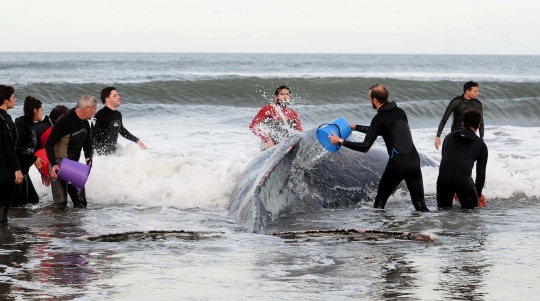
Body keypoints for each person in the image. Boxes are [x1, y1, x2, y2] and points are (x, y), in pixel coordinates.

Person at [328, 84, 429, 212]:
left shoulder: (379, 118)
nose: (370, 100)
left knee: (380, 202)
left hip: (398, 165)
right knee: (420, 205)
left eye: (369, 98)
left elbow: (365, 147)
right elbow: (384, 130)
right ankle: (430, 228)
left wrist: (341, 141)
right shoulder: (400, 112)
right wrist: (356, 127)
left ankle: (380, 229)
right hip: (414, 161)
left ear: (375, 100)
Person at [45, 95, 97, 208]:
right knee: (61, 204)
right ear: (87, 108)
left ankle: (73, 225)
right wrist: (53, 164)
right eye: (94, 109)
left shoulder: (85, 123)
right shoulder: (65, 121)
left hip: (72, 167)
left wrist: (89, 157)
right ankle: (50, 223)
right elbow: (48, 145)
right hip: (58, 165)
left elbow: (88, 146)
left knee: (81, 204)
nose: (95, 112)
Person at [437, 108, 488, 209]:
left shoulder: (449, 136)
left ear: (463, 123)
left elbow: (447, 162)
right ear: (478, 125)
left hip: (443, 179)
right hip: (463, 181)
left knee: (443, 213)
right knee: (472, 213)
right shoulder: (481, 145)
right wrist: (477, 195)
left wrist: (456, 187)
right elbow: (480, 174)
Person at [91, 87, 146, 155]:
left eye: (118, 95)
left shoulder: (118, 114)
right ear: (107, 99)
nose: (119, 97)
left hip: (112, 153)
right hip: (101, 155)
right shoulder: (99, 115)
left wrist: (136, 140)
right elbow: (92, 135)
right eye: (115, 95)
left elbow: (122, 130)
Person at [12, 96, 44, 207]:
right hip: (17, 171)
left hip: (24, 170)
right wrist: (34, 158)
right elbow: (15, 147)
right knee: (16, 205)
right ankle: (11, 223)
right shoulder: (22, 124)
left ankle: (19, 222)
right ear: (35, 111)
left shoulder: (30, 125)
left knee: (32, 199)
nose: (42, 113)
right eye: (41, 110)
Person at [434, 81, 483, 150]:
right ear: (467, 91)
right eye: (475, 91)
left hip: (470, 136)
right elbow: (444, 119)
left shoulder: (477, 104)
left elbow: (481, 123)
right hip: (456, 135)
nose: (478, 93)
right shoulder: (456, 102)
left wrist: (481, 138)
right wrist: (438, 136)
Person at [0, 85, 23, 224]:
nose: (15, 100)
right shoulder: (6, 120)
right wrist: (17, 169)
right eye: (13, 97)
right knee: (3, 205)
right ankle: (3, 237)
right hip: (4, 168)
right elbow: (10, 147)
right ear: (6, 100)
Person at [33, 105, 70, 186]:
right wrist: (44, 172)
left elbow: (37, 151)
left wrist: (43, 173)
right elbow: (41, 154)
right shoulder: (48, 131)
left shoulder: (44, 125)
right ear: (60, 118)